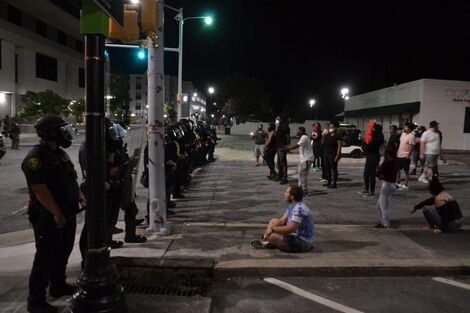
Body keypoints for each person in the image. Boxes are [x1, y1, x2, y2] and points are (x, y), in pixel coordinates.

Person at [21, 115, 84, 313]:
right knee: (45, 258)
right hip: (49, 216)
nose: (66, 133)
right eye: (62, 129)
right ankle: (36, 301)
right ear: (51, 132)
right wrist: (57, 214)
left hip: (68, 211)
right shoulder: (36, 158)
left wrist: (81, 197)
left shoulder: (59, 153)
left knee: (62, 252)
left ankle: (58, 285)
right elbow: (40, 190)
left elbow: (71, 178)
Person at [251, 185, 314, 252]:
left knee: (273, 236)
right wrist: (271, 226)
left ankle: (269, 242)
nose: (284, 193)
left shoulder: (299, 209)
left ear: (292, 196)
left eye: (286, 192)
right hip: (293, 236)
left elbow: (291, 229)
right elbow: (282, 220)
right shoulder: (292, 206)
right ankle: (269, 241)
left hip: (302, 242)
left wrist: (272, 229)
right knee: (274, 221)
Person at [281, 127, 314, 195]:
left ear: (301, 131)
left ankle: (304, 190)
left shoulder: (304, 137)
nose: (296, 132)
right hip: (304, 160)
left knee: (303, 175)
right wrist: (286, 147)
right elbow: (295, 145)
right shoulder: (303, 137)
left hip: (307, 159)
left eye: (297, 130)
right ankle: (300, 189)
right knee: (300, 174)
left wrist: (286, 149)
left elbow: (296, 146)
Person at [375, 145, 399, 228]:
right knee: (379, 205)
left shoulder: (386, 163)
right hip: (392, 185)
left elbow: (378, 174)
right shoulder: (395, 162)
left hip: (387, 185)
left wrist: (381, 176)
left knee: (383, 207)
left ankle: (386, 224)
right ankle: (383, 222)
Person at [359, 122, 384, 197]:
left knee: (371, 174)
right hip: (370, 156)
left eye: (373, 129)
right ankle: (366, 189)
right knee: (366, 173)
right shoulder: (374, 136)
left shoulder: (378, 138)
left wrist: (364, 145)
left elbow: (369, 147)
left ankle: (372, 191)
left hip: (374, 156)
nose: (371, 130)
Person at [321, 121, 342, 188]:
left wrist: (337, 155)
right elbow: (322, 143)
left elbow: (339, 146)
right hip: (326, 152)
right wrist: (323, 136)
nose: (330, 128)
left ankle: (334, 183)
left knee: (333, 167)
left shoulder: (338, 135)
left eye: (332, 127)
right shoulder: (327, 134)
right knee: (327, 167)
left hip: (333, 153)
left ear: (335, 127)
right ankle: (329, 182)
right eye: (330, 127)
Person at [396, 122, 415, 191]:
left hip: (405, 156)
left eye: (406, 127)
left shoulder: (411, 136)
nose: (404, 128)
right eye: (404, 127)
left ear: (410, 129)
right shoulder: (403, 134)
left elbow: (412, 147)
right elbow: (400, 143)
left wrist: (408, 155)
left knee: (406, 171)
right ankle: (398, 182)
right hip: (399, 155)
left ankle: (406, 184)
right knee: (397, 169)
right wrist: (397, 152)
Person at [275, 116, 291, 184]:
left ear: (281, 119)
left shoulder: (285, 126)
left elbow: (288, 137)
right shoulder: (279, 126)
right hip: (278, 146)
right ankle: (280, 175)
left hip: (283, 147)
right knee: (279, 162)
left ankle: (284, 178)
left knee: (283, 162)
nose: (277, 119)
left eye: (278, 118)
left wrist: (287, 146)